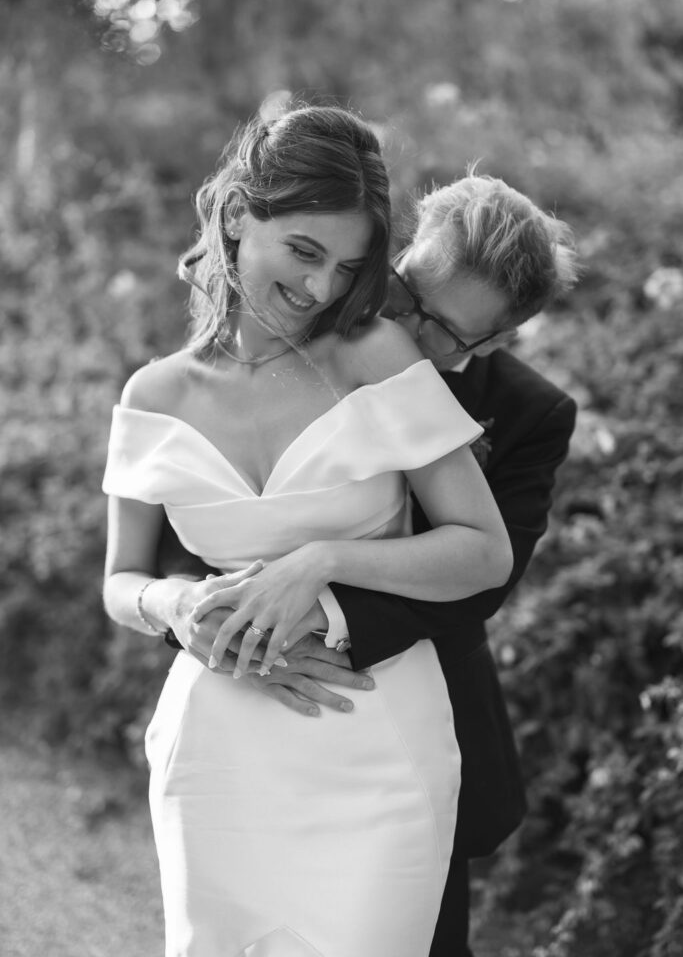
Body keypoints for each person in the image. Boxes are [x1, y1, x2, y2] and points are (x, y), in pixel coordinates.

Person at [102, 106, 513, 957]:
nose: (323, 289)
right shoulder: (152, 397)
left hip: (374, 746)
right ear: (234, 216)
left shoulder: (375, 357)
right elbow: (120, 580)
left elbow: (483, 550)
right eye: (303, 251)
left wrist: (319, 562)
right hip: (217, 747)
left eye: (348, 267)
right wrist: (176, 608)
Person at [162, 168, 579, 957]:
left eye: (443, 329)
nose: (404, 326)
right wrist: (205, 617)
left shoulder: (530, 413)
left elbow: (479, 584)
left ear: (492, 342)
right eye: (406, 292)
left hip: (410, 732)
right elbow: (190, 528)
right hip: (243, 709)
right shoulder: (293, 339)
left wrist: (313, 599)